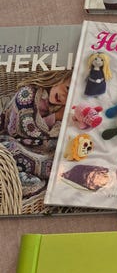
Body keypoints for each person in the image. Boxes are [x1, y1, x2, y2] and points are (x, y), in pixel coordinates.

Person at [0, 70, 72, 199]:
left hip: (33, 149)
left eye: (70, 98)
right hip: (8, 140)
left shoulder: (56, 106)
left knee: (37, 182)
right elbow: (22, 128)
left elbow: (51, 135)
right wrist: (56, 117)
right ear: (59, 77)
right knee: (11, 150)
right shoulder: (27, 94)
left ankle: (14, 176)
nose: (64, 97)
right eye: (67, 89)